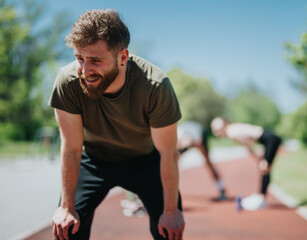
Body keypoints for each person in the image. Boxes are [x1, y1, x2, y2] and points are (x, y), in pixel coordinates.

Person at [49, 9, 184, 240]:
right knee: (68, 228)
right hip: (94, 161)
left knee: (169, 230)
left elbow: (168, 153)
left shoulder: (155, 85)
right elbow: (71, 148)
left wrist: (171, 212)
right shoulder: (68, 81)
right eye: (79, 58)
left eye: (95, 60)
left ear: (123, 57)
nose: (85, 70)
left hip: (145, 161)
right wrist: (66, 208)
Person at [210, 117, 282, 211]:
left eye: (217, 130)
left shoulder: (231, 132)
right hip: (269, 139)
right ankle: (261, 197)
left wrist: (258, 158)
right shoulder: (232, 128)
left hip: (271, 139)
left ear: (224, 126)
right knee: (264, 168)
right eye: (214, 130)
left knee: (264, 168)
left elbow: (248, 144)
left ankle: (261, 199)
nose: (216, 133)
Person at [177, 121, 227, 201]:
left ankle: (222, 189)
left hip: (198, 135)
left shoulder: (198, 137)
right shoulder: (179, 135)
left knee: (208, 163)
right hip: (186, 138)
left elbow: (198, 141)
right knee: (174, 162)